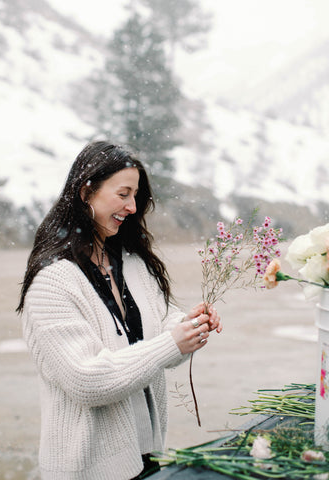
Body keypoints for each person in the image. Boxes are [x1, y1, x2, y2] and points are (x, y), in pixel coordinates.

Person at [17, 141, 222, 480]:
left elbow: (157, 327)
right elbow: (87, 380)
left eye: (136, 195)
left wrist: (187, 325)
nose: (132, 206)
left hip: (147, 455)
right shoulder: (52, 283)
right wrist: (173, 342)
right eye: (123, 193)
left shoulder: (132, 261)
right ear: (86, 192)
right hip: (87, 468)